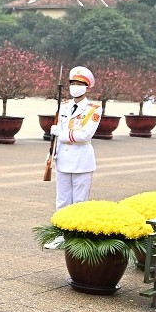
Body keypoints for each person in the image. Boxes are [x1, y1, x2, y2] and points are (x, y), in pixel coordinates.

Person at [45, 66, 101, 249]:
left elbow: (84, 135)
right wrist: (52, 153)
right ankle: (61, 235)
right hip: (63, 159)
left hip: (81, 161)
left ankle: (77, 237)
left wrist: (60, 133)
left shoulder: (94, 109)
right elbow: (58, 134)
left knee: (79, 202)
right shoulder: (64, 106)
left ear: (87, 87)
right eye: (73, 83)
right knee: (62, 201)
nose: (75, 86)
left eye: (79, 83)